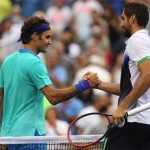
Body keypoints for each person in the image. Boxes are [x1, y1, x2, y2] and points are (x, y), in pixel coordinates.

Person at [0, 16, 100, 149]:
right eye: (47, 37)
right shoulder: (35, 62)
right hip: (30, 139)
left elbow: (0, 97)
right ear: (35, 36)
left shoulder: (7, 61)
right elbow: (53, 97)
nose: (50, 41)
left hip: (6, 138)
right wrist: (85, 85)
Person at [85, 2, 150, 150]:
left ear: (132, 19)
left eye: (123, 18)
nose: (121, 24)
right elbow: (133, 88)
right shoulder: (145, 42)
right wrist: (99, 84)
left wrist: (123, 106)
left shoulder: (136, 40)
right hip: (143, 122)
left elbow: (148, 75)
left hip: (134, 121)